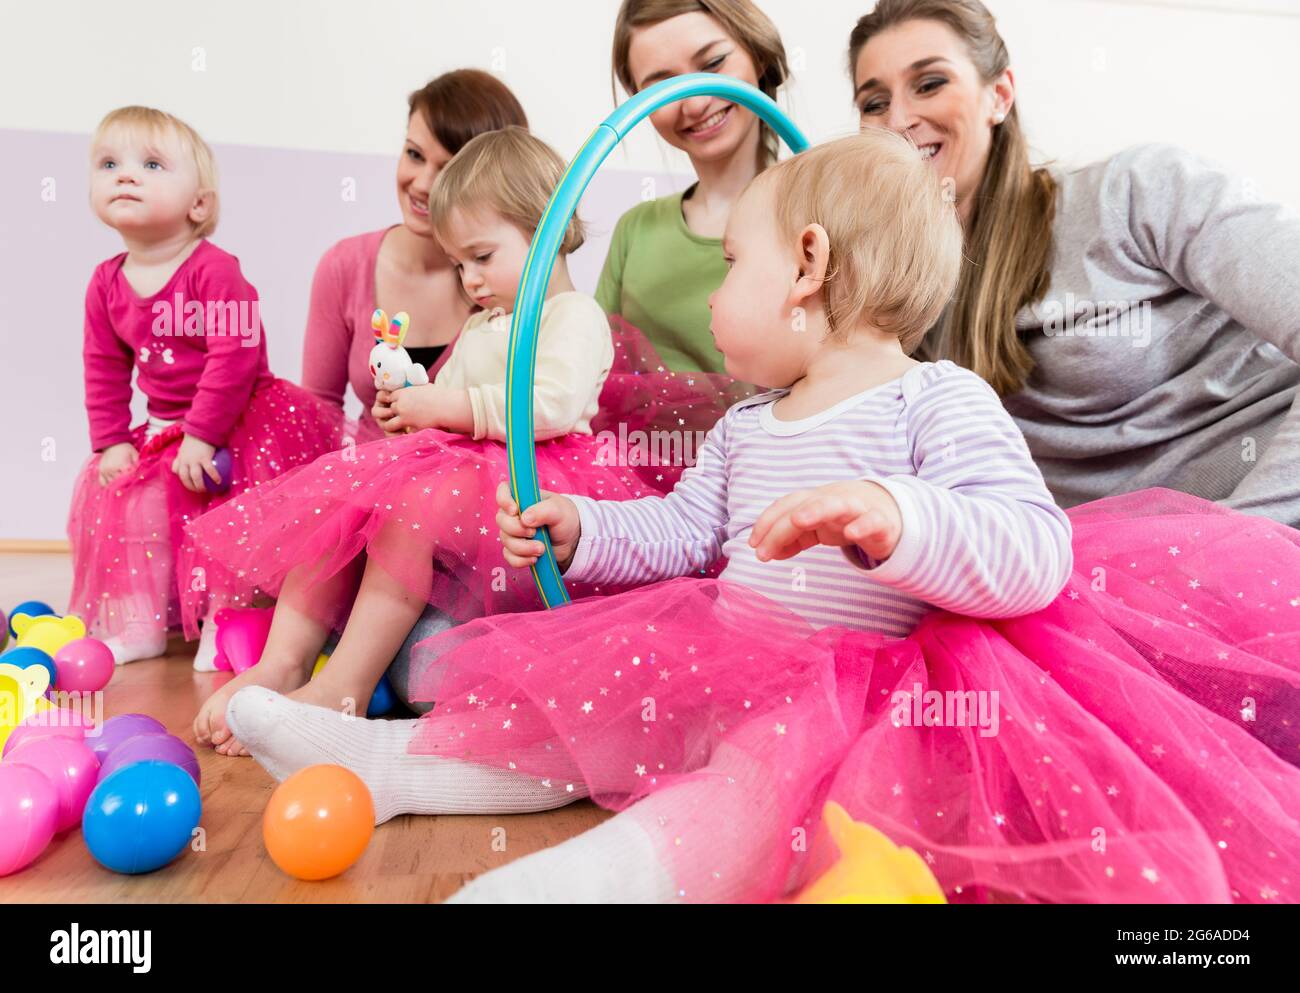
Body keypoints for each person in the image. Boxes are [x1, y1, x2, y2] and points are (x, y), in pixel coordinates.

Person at [68, 106, 341, 668]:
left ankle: (228, 615)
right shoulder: (105, 282)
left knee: (229, 519)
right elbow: (103, 366)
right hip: (169, 425)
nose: (125, 174)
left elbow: (234, 357)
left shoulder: (215, 271)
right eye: (109, 163)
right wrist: (112, 440)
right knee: (133, 509)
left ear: (199, 205)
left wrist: (202, 433)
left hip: (242, 418)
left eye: (149, 164)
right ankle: (141, 620)